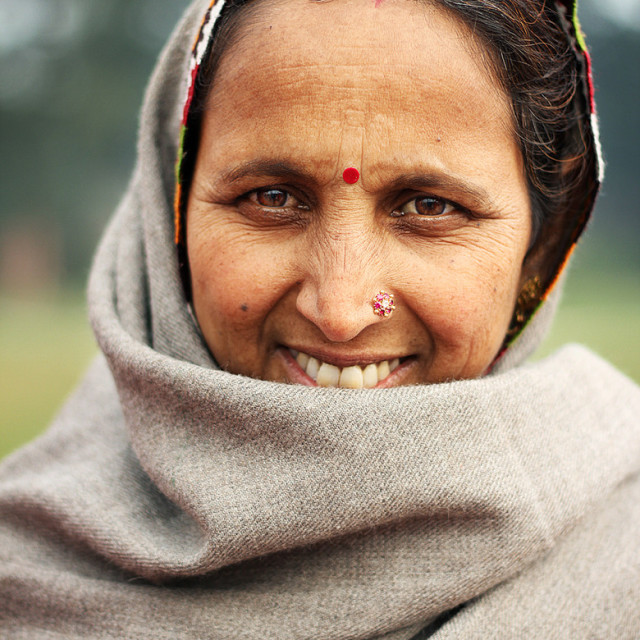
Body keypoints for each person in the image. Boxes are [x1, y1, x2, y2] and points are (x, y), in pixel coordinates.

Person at [1, 0, 639, 637]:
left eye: (429, 206)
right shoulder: (23, 571)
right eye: (272, 198)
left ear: (542, 244)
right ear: (169, 217)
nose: (340, 311)